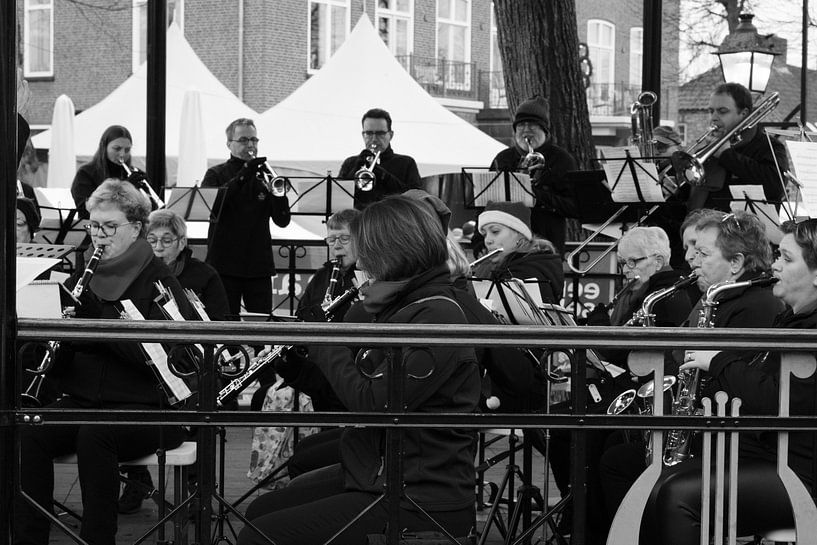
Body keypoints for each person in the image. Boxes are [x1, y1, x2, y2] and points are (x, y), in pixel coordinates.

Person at [238, 196, 480, 545]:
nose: (361, 260)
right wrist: (296, 368)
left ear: (391, 251)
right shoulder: (399, 303)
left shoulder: (435, 316)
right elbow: (349, 387)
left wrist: (324, 340)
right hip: (378, 469)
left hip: (420, 495)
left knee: (259, 536)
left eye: (366, 249)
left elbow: (374, 403)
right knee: (261, 510)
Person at [13, 179, 191, 545]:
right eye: (94, 225)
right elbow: (70, 361)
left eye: (110, 227)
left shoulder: (159, 281)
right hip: (86, 402)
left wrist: (100, 323)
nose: (99, 235)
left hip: (150, 407)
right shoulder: (85, 275)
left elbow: (173, 363)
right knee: (29, 431)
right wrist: (48, 344)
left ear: (136, 228)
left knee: (96, 434)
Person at [629, 217, 817, 544]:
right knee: (658, 484)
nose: (774, 265)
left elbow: (776, 401)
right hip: (769, 457)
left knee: (677, 495)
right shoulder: (790, 319)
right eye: (778, 256)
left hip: (799, 474)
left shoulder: (809, 330)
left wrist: (717, 360)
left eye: (787, 259)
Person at [599, 209, 785, 539]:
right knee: (617, 450)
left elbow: (739, 384)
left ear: (736, 263)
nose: (692, 261)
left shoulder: (755, 305)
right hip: (706, 428)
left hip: (727, 436)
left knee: (622, 462)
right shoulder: (714, 300)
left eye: (702, 253)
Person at [113, 209, 231, 514]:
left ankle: (196, 489)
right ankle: (136, 483)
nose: (158, 246)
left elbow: (221, 323)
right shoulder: (130, 274)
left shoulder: (204, 275)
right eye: (151, 239)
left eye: (167, 240)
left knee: (199, 402)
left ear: (181, 242)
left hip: (189, 367)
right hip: (145, 365)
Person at [202, 118, 291, 318]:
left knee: (260, 327)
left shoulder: (265, 175)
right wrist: (245, 173)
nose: (250, 145)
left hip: (258, 264)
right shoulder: (216, 173)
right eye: (243, 140)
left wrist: (278, 195)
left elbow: (282, 221)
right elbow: (213, 206)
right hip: (225, 264)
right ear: (229, 144)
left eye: (254, 140)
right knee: (225, 322)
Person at [588, 226, 693, 370]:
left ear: (658, 262)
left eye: (632, 262)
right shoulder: (647, 291)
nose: (625, 270)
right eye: (623, 263)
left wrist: (598, 320)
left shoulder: (661, 297)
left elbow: (614, 349)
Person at [679, 82, 788, 211]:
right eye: (711, 111)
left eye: (722, 111)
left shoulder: (769, 146)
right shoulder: (705, 152)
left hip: (743, 229)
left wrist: (727, 155)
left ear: (743, 113)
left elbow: (776, 187)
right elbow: (691, 197)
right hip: (698, 226)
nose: (714, 117)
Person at [490, 96, 578, 254]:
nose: (525, 130)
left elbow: (573, 206)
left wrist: (537, 196)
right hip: (505, 249)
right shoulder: (503, 159)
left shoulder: (561, 159)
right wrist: (478, 241)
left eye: (532, 125)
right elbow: (485, 205)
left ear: (544, 129)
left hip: (546, 248)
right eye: (521, 125)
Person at [472, 200, 564, 303]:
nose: (487, 240)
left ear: (519, 234)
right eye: (484, 234)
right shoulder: (493, 265)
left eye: (495, 231)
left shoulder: (527, 271)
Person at [338, 108, 422, 209]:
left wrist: (383, 175)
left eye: (380, 133)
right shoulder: (350, 162)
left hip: (392, 222)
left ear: (390, 135)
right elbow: (339, 198)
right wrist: (355, 169)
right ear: (363, 135)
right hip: (359, 222)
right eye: (369, 133)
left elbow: (415, 201)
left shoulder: (406, 163)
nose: (374, 139)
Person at [71, 125, 150, 219]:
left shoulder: (134, 173)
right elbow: (87, 211)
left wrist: (147, 197)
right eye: (117, 148)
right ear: (104, 147)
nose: (122, 154)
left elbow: (146, 213)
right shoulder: (85, 173)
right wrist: (126, 188)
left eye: (127, 150)